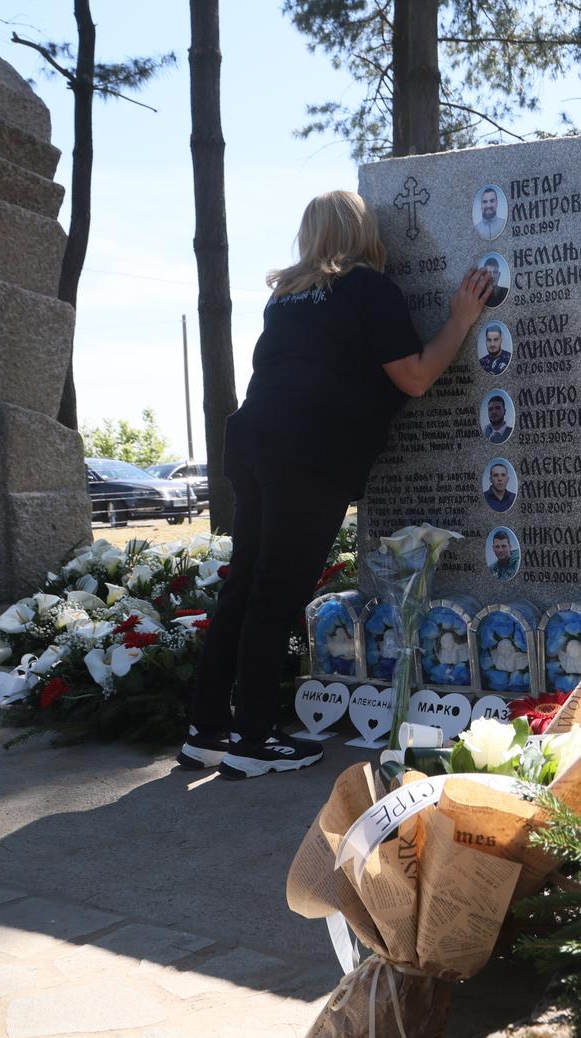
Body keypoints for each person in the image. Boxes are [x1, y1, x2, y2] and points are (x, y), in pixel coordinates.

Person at [178, 191, 493, 779]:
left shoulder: (286, 297)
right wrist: (460, 319)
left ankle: (206, 731)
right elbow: (417, 376)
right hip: (307, 454)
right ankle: (252, 741)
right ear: (363, 232)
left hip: (252, 444)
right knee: (275, 593)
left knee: (244, 585)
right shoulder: (368, 290)